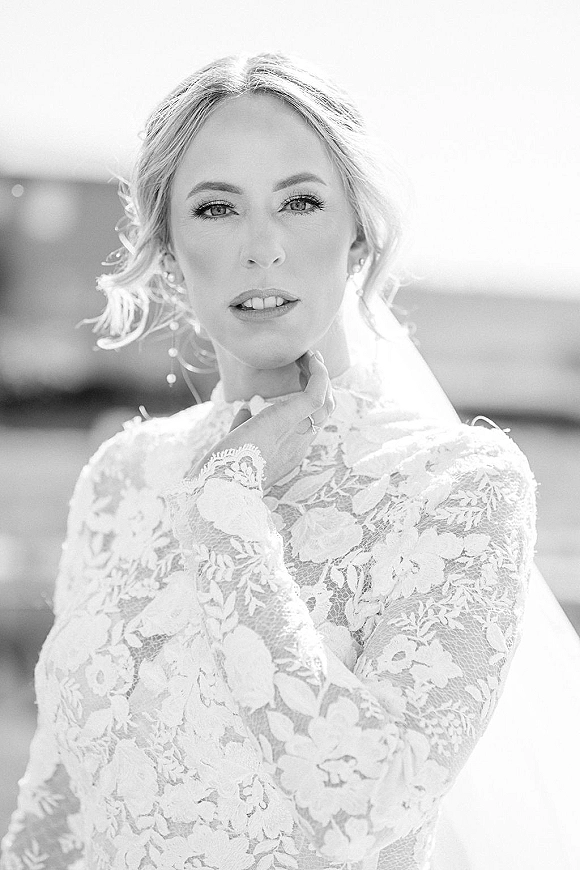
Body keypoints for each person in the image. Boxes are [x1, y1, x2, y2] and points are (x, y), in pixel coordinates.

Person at [1, 51, 577, 870]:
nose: (261, 247)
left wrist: (227, 510)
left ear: (359, 233)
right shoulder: (123, 476)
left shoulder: (459, 487)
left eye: (300, 201)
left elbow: (361, 805)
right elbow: (56, 810)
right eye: (216, 208)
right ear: (168, 244)